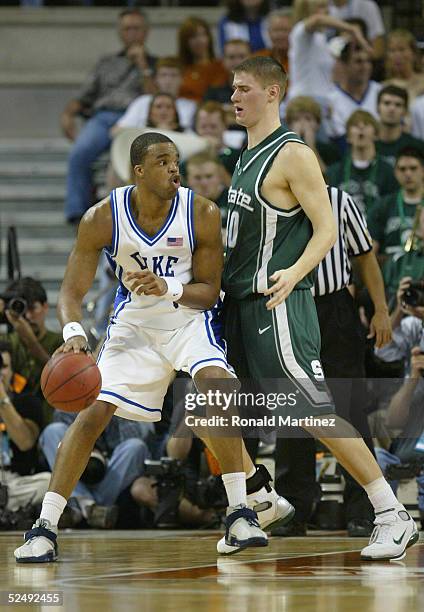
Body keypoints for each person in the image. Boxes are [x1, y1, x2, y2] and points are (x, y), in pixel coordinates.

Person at [14, 132, 294, 563]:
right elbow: (72, 289)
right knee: (91, 414)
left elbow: (209, 292)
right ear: (138, 170)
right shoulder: (102, 217)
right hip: (135, 323)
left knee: (217, 386)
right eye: (163, 161)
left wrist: (168, 286)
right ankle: (45, 527)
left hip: (187, 316)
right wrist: (73, 332)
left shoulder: (200, 211)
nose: (174, 169)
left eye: (175, 160)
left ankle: (240, 512)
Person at [223, 55, 418, 560]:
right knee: (217, 410)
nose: (235, 97)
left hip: (281, 303)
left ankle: (391, 513)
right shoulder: (246, 156)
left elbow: (328, 228)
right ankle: (259, 502)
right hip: (243, 306)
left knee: (315, 413)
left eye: (244, 88)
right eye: (233, 89)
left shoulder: (292, 154)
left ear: (273, 93)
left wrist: (297, 271)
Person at [272, 185, 391, 538]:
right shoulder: (269, 202)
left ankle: (365, 508)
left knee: (348, 409)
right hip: (289, 306)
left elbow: (365, 255)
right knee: (293, 410)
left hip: (334, 308)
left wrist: (381, 309)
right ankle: (294, 507)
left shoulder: (338, 199)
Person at [62, 8, 157, 223]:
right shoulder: (106, 62)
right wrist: (68, 114)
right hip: (104, 116)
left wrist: (143, 66)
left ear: (146, 32)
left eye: (136, 29)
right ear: (120, 33)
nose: (132, 34)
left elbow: (157, 99)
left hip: (137, 120)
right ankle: (77, 213)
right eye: (126, 29)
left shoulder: (157, 63)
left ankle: (129, 214)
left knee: (128, 163)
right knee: (80, 152)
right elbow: (84, 96)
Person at [40, 411, 151, 529]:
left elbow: (131, 438)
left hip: (108, 471)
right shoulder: (69, 398)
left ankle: (80, 508)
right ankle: (89, 508)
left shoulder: (120, 397)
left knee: (136, 446)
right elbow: (66, 442)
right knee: (53, 431)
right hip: (76, 472)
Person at [288, 0, 370, 113]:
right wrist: (351, 28)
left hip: (322, 104)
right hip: (303, 103)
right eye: (321, 7)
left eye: (327, 6)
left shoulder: (321, 39)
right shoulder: (300, 33)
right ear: (307, 10)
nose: (327, 10)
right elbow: (317, 19)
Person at [0, 277, 63, 424]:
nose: (27, 316)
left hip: (52, 419)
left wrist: (30, 341)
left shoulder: (60, 342)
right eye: (21, 308)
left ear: (45, 307)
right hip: (15, 421)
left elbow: (64, 379)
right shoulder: (7, 342)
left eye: (32, 308)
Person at [0, 341, 50, 515]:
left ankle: (7, 509)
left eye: (3, 367)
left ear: (13, 370)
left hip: (16, 482)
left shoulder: (27, 400)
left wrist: (2, 399)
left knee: (49, 483)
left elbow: (25, 442)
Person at [326, 110, 398, 219]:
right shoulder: (334, 171)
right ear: (348, 137)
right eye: (355, 125)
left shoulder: (388, 170)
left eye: (366, 124)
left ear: (376, 135)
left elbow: (393, 208)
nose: (361, 127)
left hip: (375, 232)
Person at [112, 57, 197, 133]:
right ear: (156, 79)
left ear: (182, 80)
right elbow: (116, 131)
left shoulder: (190, 106)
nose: (168, 80)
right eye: (164, 75)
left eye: (173, 75)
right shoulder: (142, 101)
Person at [368, 148, 424, 259]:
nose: (408, 174)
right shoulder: (382, 206)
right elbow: (371, 251)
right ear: (395, 172)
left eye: (413, 168)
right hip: (390, 270)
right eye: (402, 169)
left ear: (423, 170)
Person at [327, 41, 381, 143]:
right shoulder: (331, 99)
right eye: (358, 61)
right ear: (344, 65)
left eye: (368, 61)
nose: (365, 66)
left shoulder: (381, 92)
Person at [203, 39, 252, 129]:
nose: (237, 62)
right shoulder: (213, 92)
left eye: (242, 57)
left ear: (251, 59)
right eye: (231, 57)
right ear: (223, 61)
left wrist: (226, 113)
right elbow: (206, 121)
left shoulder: (261, 91)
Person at [177, 17, 227, 103]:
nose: (199, 40)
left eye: (203, 35)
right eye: (193, 37)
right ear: (184, 41)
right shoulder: (179, 68)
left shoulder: (221, 66)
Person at [285, 96, 340, 173]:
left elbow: (329, 179)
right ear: (289, 125)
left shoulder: (330, 151)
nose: (302, 124)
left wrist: (312, 147)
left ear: (317, 124)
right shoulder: (280, 149)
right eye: (296, 119)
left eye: (308, 119)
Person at [376, 85, 424, 168]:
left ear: (405, 111)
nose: (392, 109)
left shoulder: (418, 147)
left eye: (398, 105)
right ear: (377, 107)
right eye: (387, 103)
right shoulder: (366, 144)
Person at [185, 152, 229, 228]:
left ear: (220, 176)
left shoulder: (233, 200)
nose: (204, 183)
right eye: (197, 178)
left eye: (209, 176)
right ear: (188, 180)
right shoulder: (182, 204)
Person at [383, 30, 424, 107]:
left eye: (401, 49)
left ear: (414, 53)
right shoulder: (383, 88)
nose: (397, 55)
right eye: (392, 51)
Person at [255, 8, 292, 74]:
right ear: (268, 33)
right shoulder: (257, 59)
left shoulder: (301, 59)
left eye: (285, 30)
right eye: (276, 30)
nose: (280, 35)